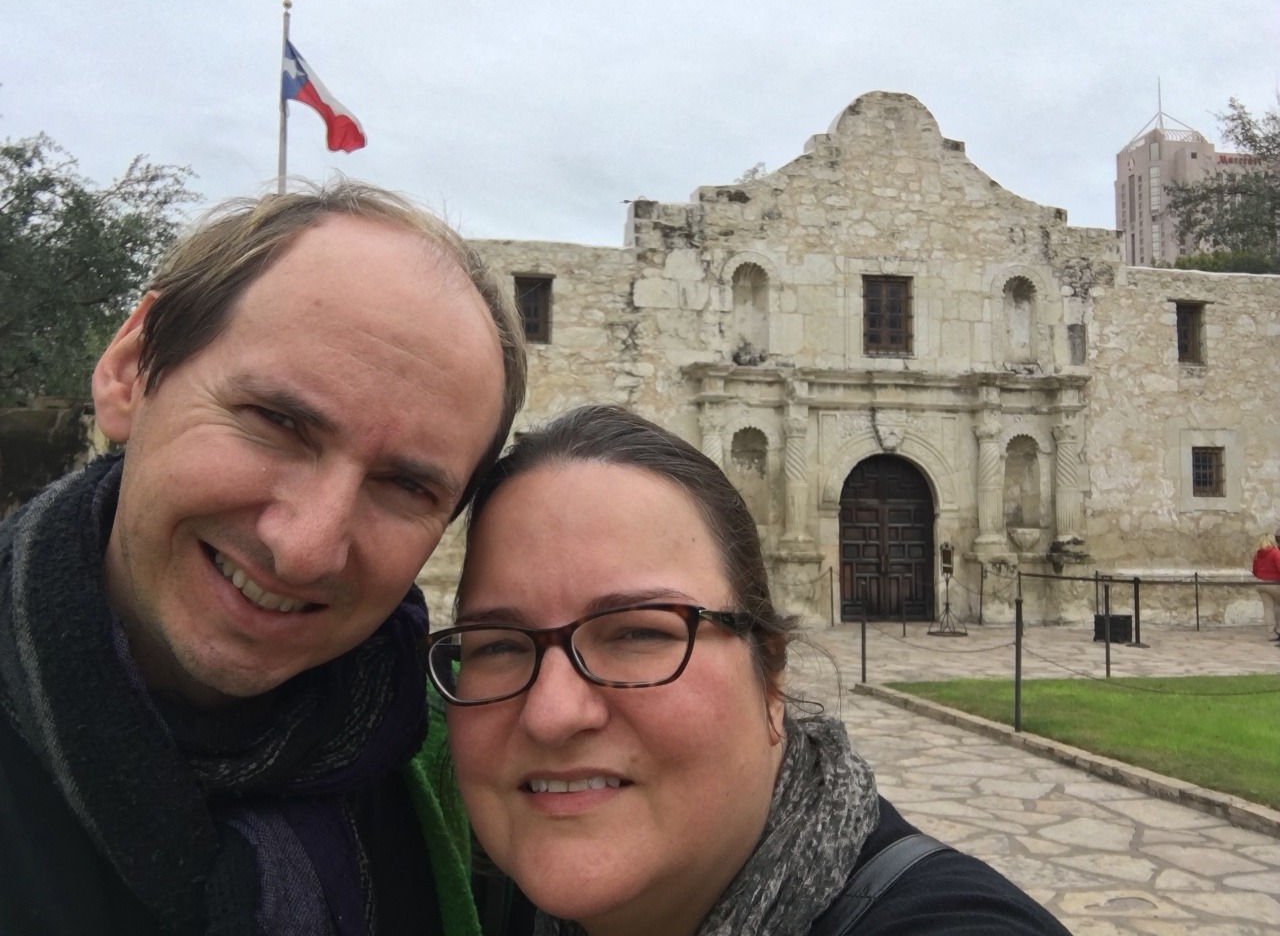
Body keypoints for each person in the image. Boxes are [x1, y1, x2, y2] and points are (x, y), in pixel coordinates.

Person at [0, 181, 527, 936]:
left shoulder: (462, 778)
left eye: (404, 485)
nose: (306, 547)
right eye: (276, 422)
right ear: (131, 370)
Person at [426, 405, 1071, 936]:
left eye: (640, 631)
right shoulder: (455, 896)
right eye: (499, 644)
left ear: (770, 682)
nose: (552, 712)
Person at [1251, 532, 1280, 641]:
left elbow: (1255, 570)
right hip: (1274, 583)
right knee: (1277, 606)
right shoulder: (1275, 553)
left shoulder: (1258, 554)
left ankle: (1271, 634)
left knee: (1268, 608)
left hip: (1260, 583)